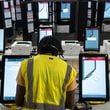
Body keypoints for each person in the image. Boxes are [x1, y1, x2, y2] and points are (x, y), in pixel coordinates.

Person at [16, 36, 78, 110]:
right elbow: (70, 105)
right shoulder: (69, 70)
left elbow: (19, 101)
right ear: (58, 52)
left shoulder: (26, 65)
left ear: (38, 50)